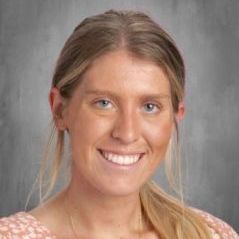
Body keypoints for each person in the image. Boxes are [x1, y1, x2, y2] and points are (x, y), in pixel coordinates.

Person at [0, 9, 238, 239]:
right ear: (60, 110)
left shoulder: (212, 234)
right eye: (104, 103)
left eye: (150, 107)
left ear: (176, 117)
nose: (127, 133)